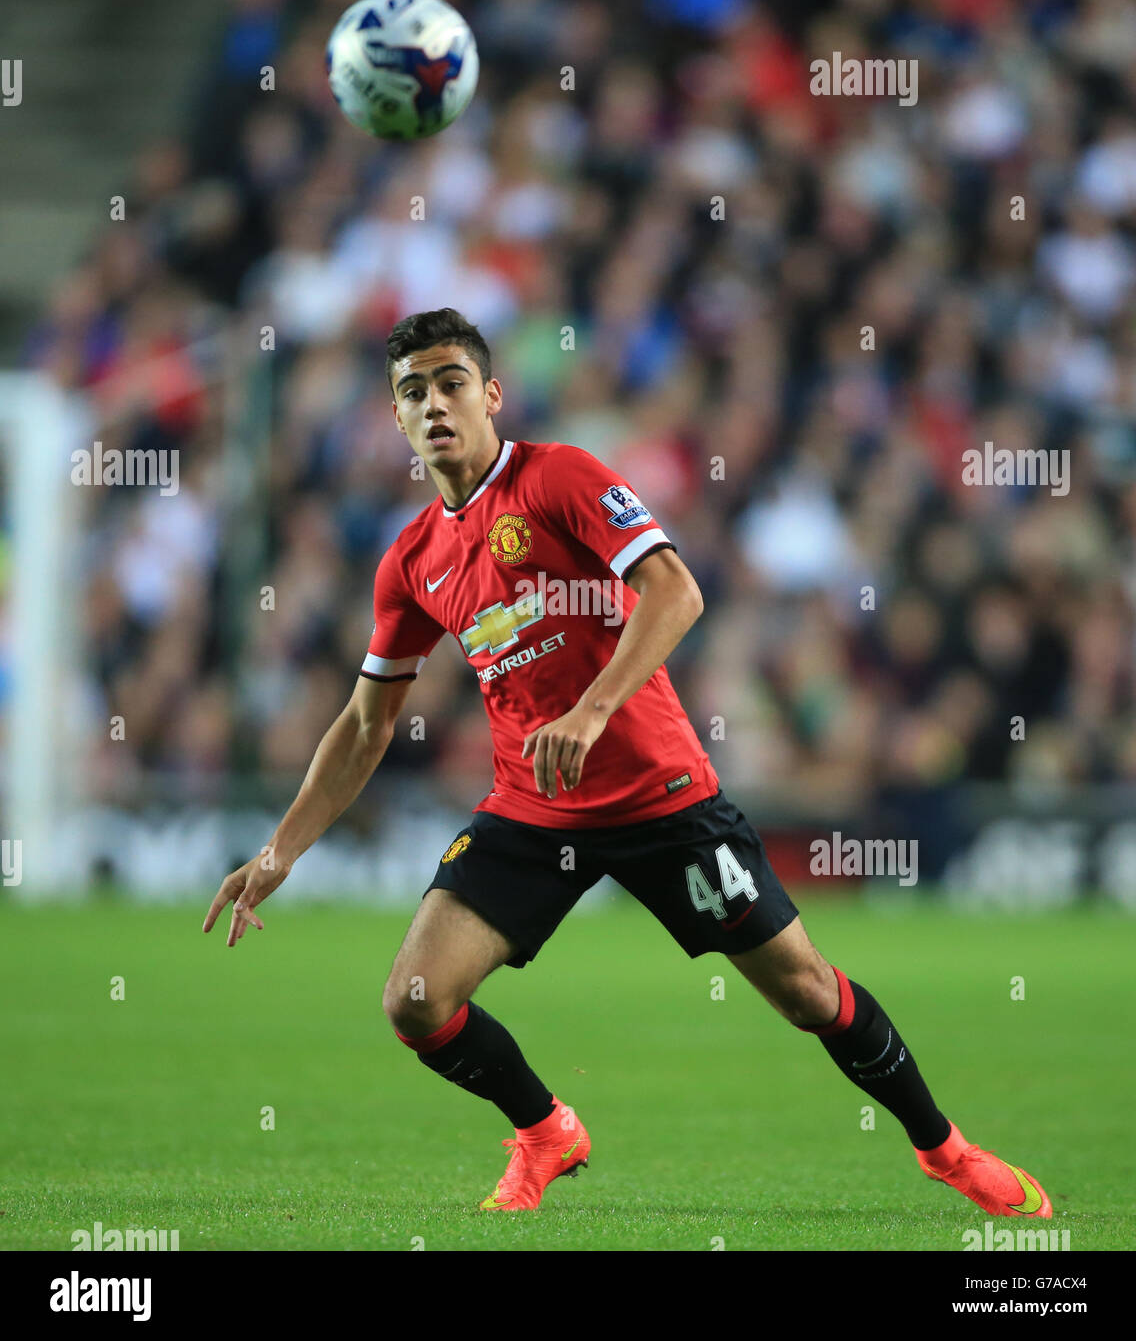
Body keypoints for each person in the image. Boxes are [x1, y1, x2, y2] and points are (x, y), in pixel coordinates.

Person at [204, 308, 1051, 1219]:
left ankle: (945, 1149)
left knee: (806, 993)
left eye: (451, 383)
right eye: (413, 392)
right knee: (414, 1000)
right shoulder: (411, 561)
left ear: (491, 394)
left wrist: (591, 709)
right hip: (532, 809)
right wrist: (279, 851)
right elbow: (367, 723)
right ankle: (543, 1130)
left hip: (662, 797)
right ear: (396, 419)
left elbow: (676, 591)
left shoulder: (558, 477)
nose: (434, 403)